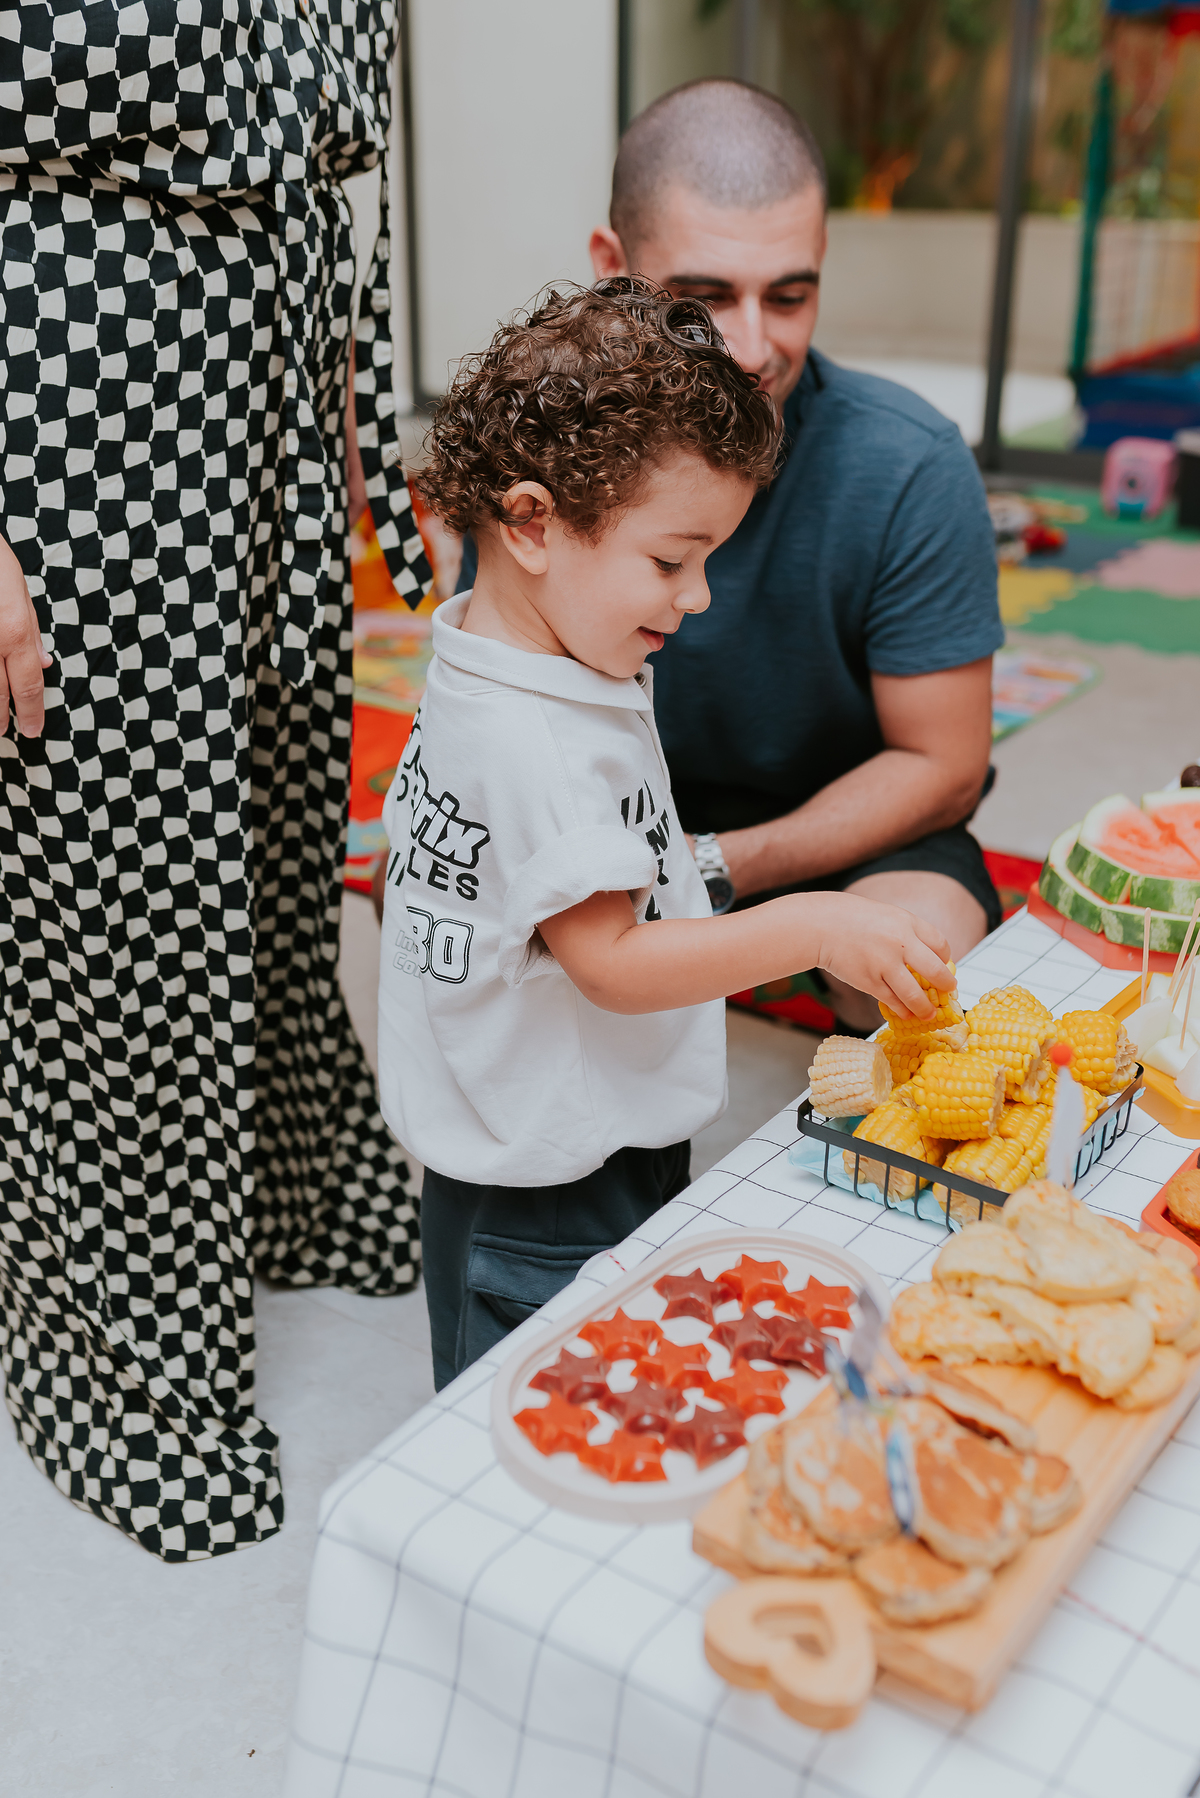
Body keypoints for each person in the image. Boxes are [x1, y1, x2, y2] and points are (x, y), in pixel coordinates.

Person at [0, 5, 429, 1560]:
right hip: (67, 358)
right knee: (131, 871)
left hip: (266, 355)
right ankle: (128, 1353)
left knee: (278, 820)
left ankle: (281, 1187)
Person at [378, 279, 956, 1390]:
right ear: (534, 522)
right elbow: (609, 962)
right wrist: (814, 923)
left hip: (534, 1120)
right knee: (552, 1414)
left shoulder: (501, 651)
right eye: (670, 559)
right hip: (548, 1174)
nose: (697, 598)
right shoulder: (538, 738)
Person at [457, 80, 1003, 1033]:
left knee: (924, 965)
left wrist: (719, 868)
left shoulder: (909, 461)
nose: (753, 347)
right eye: (706, 296)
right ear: (612, 266)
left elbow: (943, 763)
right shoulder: (548, 449)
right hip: (600, 826)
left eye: (790, 295)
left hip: (832, 836)